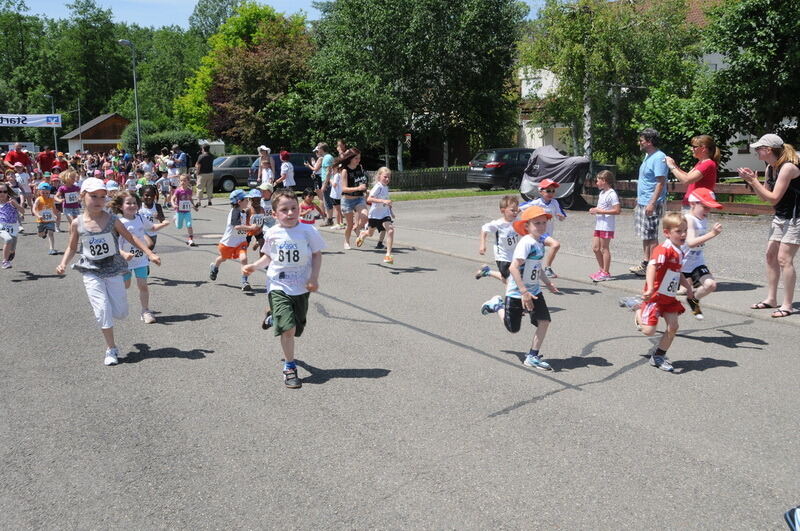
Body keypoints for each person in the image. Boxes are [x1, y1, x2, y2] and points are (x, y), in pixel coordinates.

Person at [55, 178, 161, 366]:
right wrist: (63, 263)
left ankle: (113, 313)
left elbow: (132, 238)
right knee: (102, 310)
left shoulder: (113, 220)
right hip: (91, 271)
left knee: (120, 312)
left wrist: (150, 253)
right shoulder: (77, 223)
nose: (98, 200)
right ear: (82, 196)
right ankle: (111, 348)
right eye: (93, 196)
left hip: (113, 270)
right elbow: (72, 248)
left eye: (102, 197)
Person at [242, 189, 325, 389]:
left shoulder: (308, 231)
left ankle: (273, 317)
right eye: (284, 209)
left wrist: (313, 277)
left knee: (297, 327)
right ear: (274, 214)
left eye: (294, 208)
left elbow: (316, 254)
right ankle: (289, 367)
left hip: (301, 286)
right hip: (278, 284)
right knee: (289, 330)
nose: (290, 213)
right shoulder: (272, 233)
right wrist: (254, 266)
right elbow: (268, 256)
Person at [480, 206, 560, 370]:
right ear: (527, 226)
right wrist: (524, 292)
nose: (541, 226)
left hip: (535, 291)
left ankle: (532, 356)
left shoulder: (539, 242)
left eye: (543, 223)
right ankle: (497, 305)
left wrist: (547, 283)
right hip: (518, 292)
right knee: (513, 328)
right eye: (536, 223)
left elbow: (537, 267)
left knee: (544, 321)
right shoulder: (526, 242)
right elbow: (513, 268)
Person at [738, 133, 800, 318]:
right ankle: (771, 299)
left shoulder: (787, 167)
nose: (756, 151)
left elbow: (773, 197)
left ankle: (787, 305)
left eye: (758, 149)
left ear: (768, 150)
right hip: (780, 216)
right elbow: (767, 199)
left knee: (784, 259)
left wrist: (754, 181)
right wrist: (753, 181)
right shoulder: (770, 169)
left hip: (796, 218)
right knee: (770, 254)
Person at [634, 212, 695, 372]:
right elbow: (652, 266)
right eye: (679, 231)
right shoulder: (664, 249)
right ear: (667, 233)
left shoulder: (680, 251)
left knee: (673, 326)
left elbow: (677, 272)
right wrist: (650, 287)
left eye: (685, 230)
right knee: (648, 331)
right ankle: (639, 310)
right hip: (654, 296)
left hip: (668, 297)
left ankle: (659, 356)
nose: (683, 234)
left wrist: (688, 287)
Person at [111, 191, 170, 324]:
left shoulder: (140, 218)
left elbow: (152, 227)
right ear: (120, 206)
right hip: (124, 261)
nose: (132, 205)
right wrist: (123, 253)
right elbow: (114, 243)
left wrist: (164, 224)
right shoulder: (118, 222)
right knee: (125, 285)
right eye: (128, 203)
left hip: (140, 259)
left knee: (143, 285)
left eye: (134, 203)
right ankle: (113, 300)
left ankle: (145, 311)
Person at [630, 128, 669, 277]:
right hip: (644, 200)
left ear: (649, 142)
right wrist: (640, 198)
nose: (639, 143)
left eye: (641, 140)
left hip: (652, 202)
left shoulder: (659, 157)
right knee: (645, 234)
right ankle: (646, 263)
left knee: (651, 235)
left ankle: (656, 266)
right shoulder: (648, 156)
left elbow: (660, 182)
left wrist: (652, 203)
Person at [682, 188, 723, 320]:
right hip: (678, 264)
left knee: (710, 285)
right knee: (664, 299)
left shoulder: (702, 219)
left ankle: (693, 299)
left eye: (709, 208)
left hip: (696, 262)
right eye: (704, 207)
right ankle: (643, 311)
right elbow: (691, 242)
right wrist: (712, 234)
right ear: (693, 204)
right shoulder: (689, 219)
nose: (707, 211)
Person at [521, 179, 565, 278]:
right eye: (548, 191)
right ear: (541, 192)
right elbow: (521, 207)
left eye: (553, 191)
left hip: (547, 233)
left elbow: (561, 217)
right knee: (555, 245)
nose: (551, 193)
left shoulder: (555, 203)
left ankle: (524, 270)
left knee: (535, 256)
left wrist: (561, 217)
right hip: (538, 234)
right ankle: (547, 268)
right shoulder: (536, 202)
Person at [209, 189, 252, 291]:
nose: (248, 201)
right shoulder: (235, 212)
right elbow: (237, 227)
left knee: (243, 259)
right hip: (228, 243)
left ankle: (244, 281)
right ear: (239, 202)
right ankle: (214, 267)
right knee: (223, 258)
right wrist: (250, 228)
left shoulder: (242, 211)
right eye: (246, 200)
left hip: (241, 242)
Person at [664, 135, 720, 207]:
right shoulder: (701, 162)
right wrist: (674, 165)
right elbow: (687, 176)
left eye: (694, 147)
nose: (691, 149)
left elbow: (686, 180)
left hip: (696, 206)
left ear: (703, 148)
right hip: (692, 205)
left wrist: (672, 166)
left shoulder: (708, 164)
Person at [476, 195, 521, 283]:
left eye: (516, 210)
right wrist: (482, 245)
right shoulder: (498, 224)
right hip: (503, 257)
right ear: (503, 211)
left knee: (509, 280)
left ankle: (487, 271)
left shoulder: (517, 221)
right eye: (512, 210)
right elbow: (484, 229)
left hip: (515, 255)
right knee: (512, 281)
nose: (515, 213)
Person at [355, 167, 396, 263]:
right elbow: (369, 199)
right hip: (374, 215)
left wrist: (391, 211)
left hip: (384, 215)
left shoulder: (386, 187)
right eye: (385, 177)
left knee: (390, 230)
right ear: (379, 177)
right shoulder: (378, 186)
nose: (387, 179)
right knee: (370, 234)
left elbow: (386, 201)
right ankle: (362, 234)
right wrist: (383, 201)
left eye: (389, 177)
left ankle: (388, 255)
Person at [588, 170, 620, 281]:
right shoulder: (602, 193)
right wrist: (595, 210)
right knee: (596, 248)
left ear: (604, 181)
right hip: (599, 224)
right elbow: (600, 209)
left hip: (607, 225)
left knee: (604, 248)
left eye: (598, 180)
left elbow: (617, 210)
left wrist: (600, 211)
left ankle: (606, 272)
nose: (596, 183)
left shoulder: (612, 194)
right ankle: (602, 270)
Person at [335, 148, 369, 249]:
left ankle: (357, 228)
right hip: (347, 200)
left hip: (359, 198)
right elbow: (344, 188)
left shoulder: (360, 168)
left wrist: (365, 189)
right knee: (349, 225)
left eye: (359, 158)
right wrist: (358, 188)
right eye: (356, 158)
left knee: (365, 216)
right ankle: (346, 241)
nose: (358, 160)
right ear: (350, 158)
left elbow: (361, 181)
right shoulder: (345, 171)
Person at [0, 182, 25, 269]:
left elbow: (23, 211)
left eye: (4, 191)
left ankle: (11, 252)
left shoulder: (12, 201)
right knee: (8, 239)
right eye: (0, 191)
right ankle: (5, 261)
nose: (2, 193)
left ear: (8, 192)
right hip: (1, 227)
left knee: (12, 248)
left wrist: (16, 205)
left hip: (13, 227)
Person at [171, 174, 198, 246]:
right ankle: (175, 217)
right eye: (181, 180)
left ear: (188, 181)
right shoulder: (178, 190)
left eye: (184, 180)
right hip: (179, 211)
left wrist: (194, 206)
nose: (182, 182)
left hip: (187, 211)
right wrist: (173, 204)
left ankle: (190, 240)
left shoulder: (189, 191)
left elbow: (190, 199)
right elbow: (172, 198)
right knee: (179, 227)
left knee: (189, 224)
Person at [33, 182, 58, 255]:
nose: (45, 194)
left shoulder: (51, 199)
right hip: (40, 220)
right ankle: (43, 233)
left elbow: (54, 207)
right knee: (40, 234)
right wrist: (38, 215)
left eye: (47, 193)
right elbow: (34, 209)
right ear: (40, 192)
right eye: (43, 193)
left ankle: (52, 249)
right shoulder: (38, 199)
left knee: (51, 233)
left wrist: (55, 215)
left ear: (49, 192)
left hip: (50, 219)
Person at [138, 185, 165, 250]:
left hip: (152, 233)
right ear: (142, 195)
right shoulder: (139, 206)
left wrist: (159, 217)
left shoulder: (157, 206)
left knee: (149, 249)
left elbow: (163, 220)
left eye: (152, 195)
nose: (149, 197)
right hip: (141, 231)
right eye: (146, 195)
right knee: (149, 245)